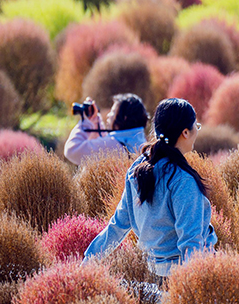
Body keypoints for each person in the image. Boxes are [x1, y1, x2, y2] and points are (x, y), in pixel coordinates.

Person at [84, 98, 216, 281]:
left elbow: (117, 226)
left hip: (152, 274)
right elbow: (191, 244)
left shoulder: (138, 169)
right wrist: (189, 293)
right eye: (196, 126)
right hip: (184, 276)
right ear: (185, 132)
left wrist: (85, 265)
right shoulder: (182, 181)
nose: (197, 131)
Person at [64, 93, 149, 165]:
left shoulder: (114, 146)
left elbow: (72, 150)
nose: (109, 115)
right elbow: (104, 142)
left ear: (124, 118)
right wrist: (96, 120)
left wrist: (86, 123)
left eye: (113, 112)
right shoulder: (141, 143)